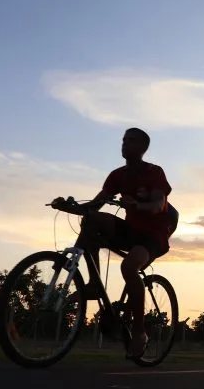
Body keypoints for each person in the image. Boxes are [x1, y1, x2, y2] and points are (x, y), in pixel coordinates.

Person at [50, 127, 174, 359]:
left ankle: (140, 333)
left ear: (143, 147)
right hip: (131, 230)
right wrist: (69, 207)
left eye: (131, 140)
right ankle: (94, 285)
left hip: (154, 235)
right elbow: (93, 206)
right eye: (124, 140)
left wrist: (135, 204)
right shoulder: (117, 175)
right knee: (92, 220)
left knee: (128, 267)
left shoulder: (154, 172)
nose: (125, 144)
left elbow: (158, 206)